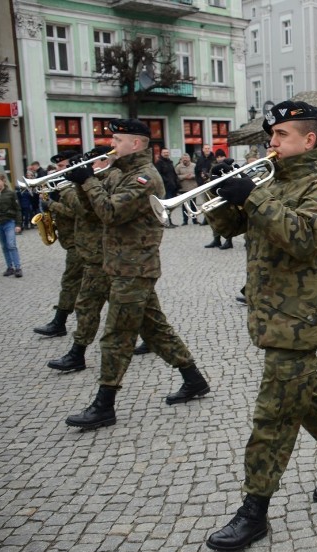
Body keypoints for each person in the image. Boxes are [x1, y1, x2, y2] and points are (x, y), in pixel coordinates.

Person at [203, 101, 317, 552]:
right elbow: (234, 226)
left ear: (309, 140)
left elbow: (304, 239)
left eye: (280, 136)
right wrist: (219, 195)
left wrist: (253, 197)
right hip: (270, 314)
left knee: (274, 415)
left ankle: (253, 511)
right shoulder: (273, 181)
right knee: (309, 399)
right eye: (271, 136)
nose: (271, 143)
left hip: (299, 320)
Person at [62, 118, 210, 430]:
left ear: (137, 144)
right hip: (120, 265)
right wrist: (81, 181)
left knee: (117, 335)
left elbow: (112, 213)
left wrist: (88, 181)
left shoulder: (143, 177)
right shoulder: (119, 172)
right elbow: (93, 214)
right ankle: (194, 379)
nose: (112, 145)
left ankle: (105, 403)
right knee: (156, 329)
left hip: (135, 268)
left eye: (118, 139)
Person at [47, 146, 118, 372]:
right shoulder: (95, 180)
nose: (89, 166)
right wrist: (77, 183)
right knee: (87, 305)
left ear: (104, 161)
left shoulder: (112, 179)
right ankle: (77, 353)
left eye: (92, 161)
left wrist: (68, 191)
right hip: (92, 253)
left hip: (105, 254)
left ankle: (186, 369)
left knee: (134, 308)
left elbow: (90, 212)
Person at [33, 150, 85, 338]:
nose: (58, 170)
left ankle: (59, 322)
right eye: (57, 167)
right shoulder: (65, 186)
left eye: (62, 166)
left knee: (71, 283)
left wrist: (52, 206)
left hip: (80, 243)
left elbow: (78, 212)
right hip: (72, 241)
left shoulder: (74, 186)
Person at [203, 149, 233, 249]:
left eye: (222, 156)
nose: (220, 158)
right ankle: (216, 239)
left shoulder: (229, 165)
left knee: (227, 219)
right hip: (214, 194)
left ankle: (229, 240)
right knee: (215, 218)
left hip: (226, 194)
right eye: (218, 157)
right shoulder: (213, 166)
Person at [154, 148, 180, 227]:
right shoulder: (159, 163)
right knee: (166, 206)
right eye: (164, 152)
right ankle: (166, 222)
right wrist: (167, 181)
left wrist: (176, 183)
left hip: (172, 187)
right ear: (161, 153)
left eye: (167, 152)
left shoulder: (170, 162)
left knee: (170, 206)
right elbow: (158, 175)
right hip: (165, 187)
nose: (166, 154)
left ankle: (169, 221)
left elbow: (173, 174)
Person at [175, 153, 198, 225]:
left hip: (193, 188)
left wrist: (193, 176)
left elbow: (198, 174)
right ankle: (185, 221)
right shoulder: (178, 167)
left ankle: (195, 220)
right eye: (183, 159)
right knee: (184, 206)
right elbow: (175, 177)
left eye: (186, 158)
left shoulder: (194, 166)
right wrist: (184, 177)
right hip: (183, 188)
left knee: (193, 205)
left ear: (189, 159)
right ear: (181, 159)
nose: (185, 160)